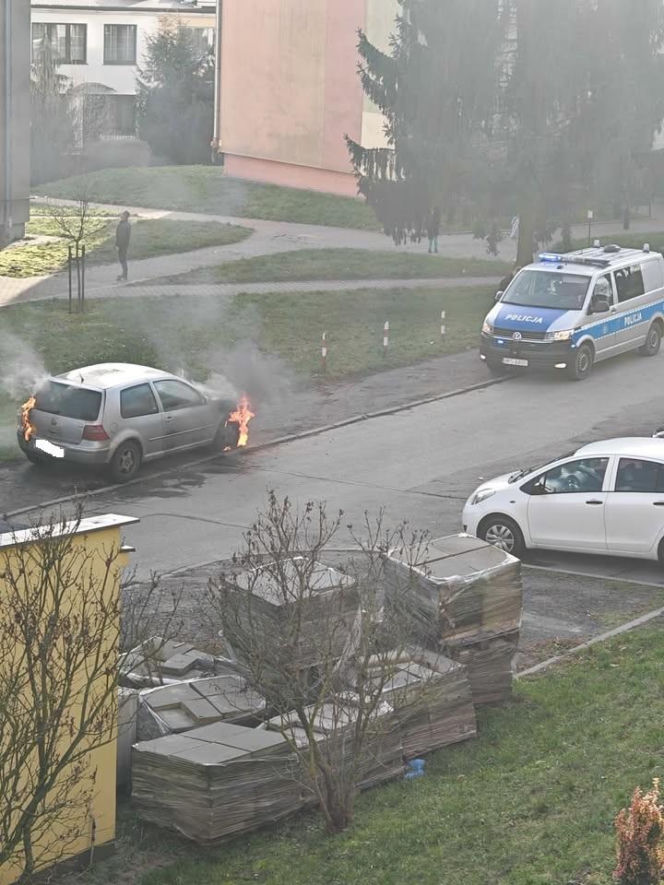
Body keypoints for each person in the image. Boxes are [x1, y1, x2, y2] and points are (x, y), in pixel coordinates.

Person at [115, 210, 131, 282]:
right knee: (122, 260)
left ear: (125, 217)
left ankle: (124, 275)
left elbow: (121, 237)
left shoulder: (123, 225)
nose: (121, 216)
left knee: (123, 260)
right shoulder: (125, 224)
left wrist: (118, 245)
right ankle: (124, 275)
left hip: (122, 246)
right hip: (124, 246)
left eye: (122, 215)